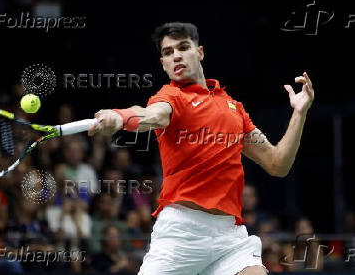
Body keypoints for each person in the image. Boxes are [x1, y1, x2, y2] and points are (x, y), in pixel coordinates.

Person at [88, 22, 315, 275]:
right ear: (163, 63)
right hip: (180, 234)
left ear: (200, 52)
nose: (176, 56)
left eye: (183, 47)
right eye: (167, 52)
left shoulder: (234, 108)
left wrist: (299, 112)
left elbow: (277, 163)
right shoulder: (171, 99)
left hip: (229, 237)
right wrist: (119, 117)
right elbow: (149, 115)